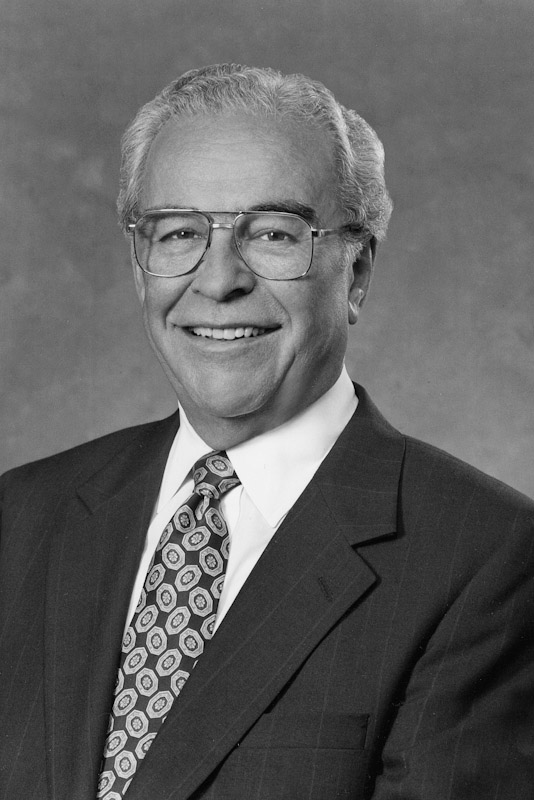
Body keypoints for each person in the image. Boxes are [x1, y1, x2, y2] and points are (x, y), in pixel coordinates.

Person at [0, 63, 533, 800]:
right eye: (179, 232)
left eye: (275, 233)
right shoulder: (21, 518)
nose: (219, 280)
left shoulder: (486, 558)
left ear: (356, 273)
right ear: (139, 267)